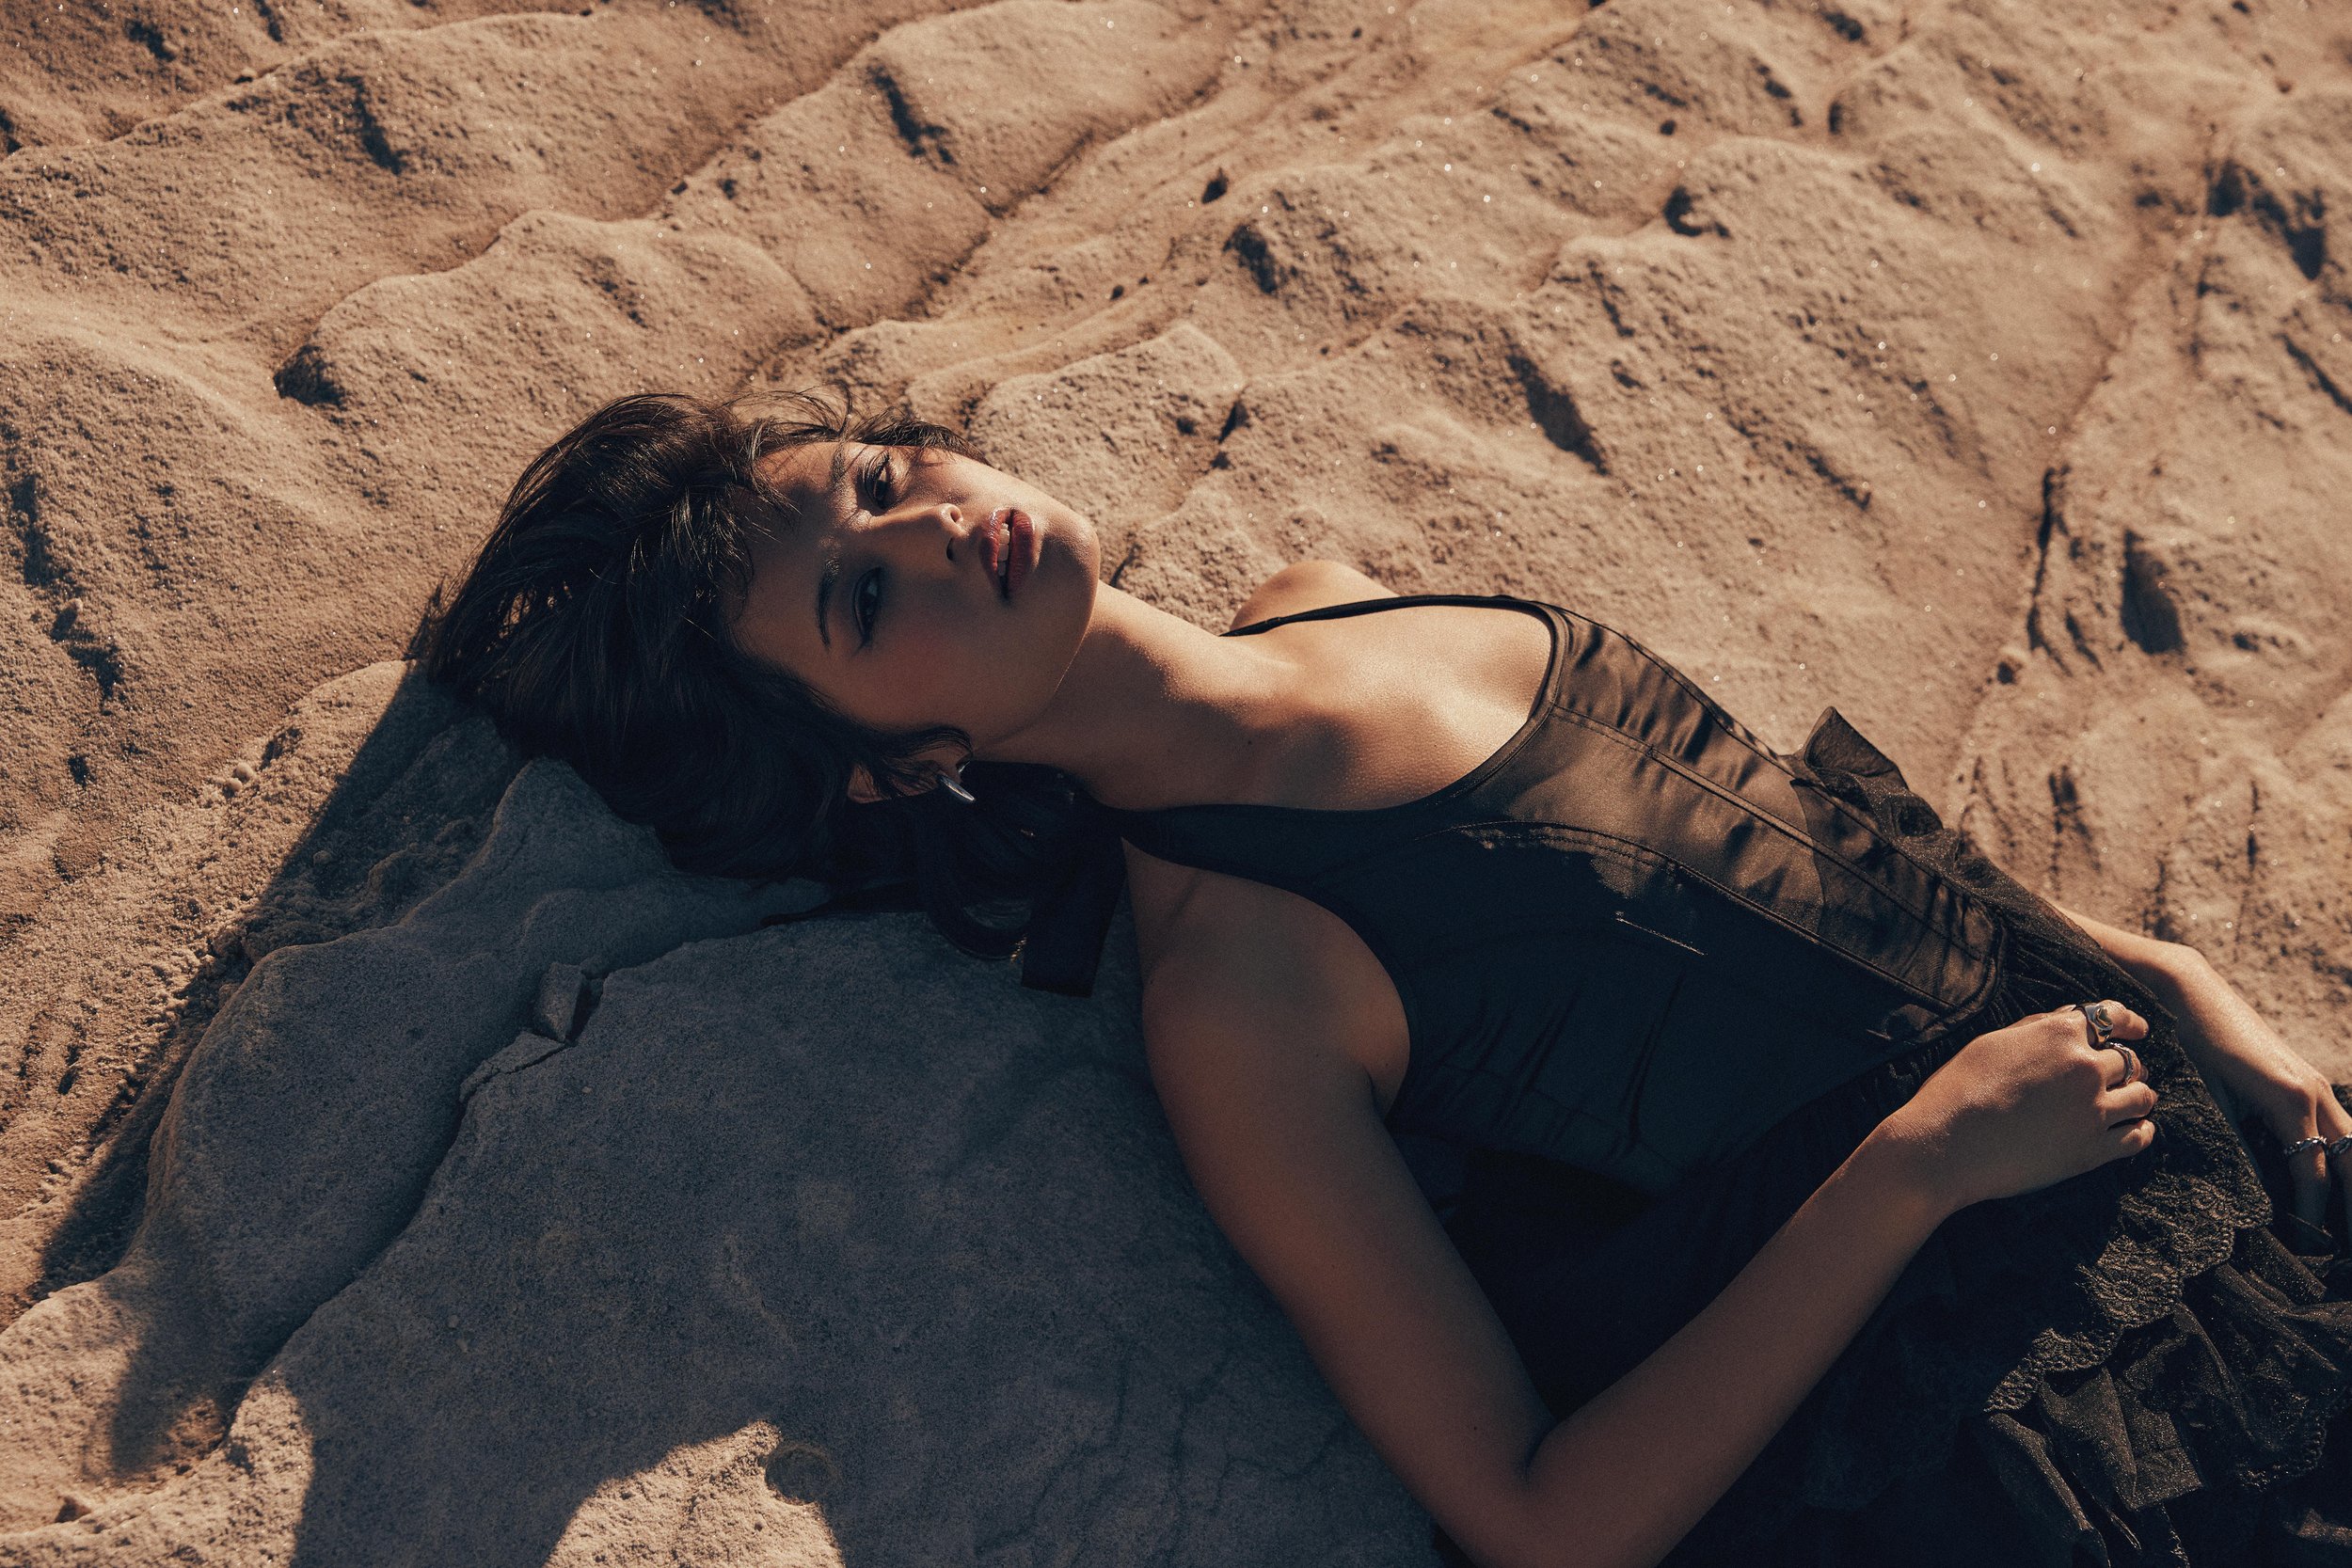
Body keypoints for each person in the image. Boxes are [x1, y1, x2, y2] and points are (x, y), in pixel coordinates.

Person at [423, 389, 2352, 1567]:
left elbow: (1779, 841)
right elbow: (1534, 1518)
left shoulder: (1331, 585)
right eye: (865, 595)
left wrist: (2159, 968)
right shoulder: (1239, 998)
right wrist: (1914, 1170)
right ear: (895, 771)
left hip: (2180, 1172)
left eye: (881, 473)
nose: (934, 524)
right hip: (2028, 1410)